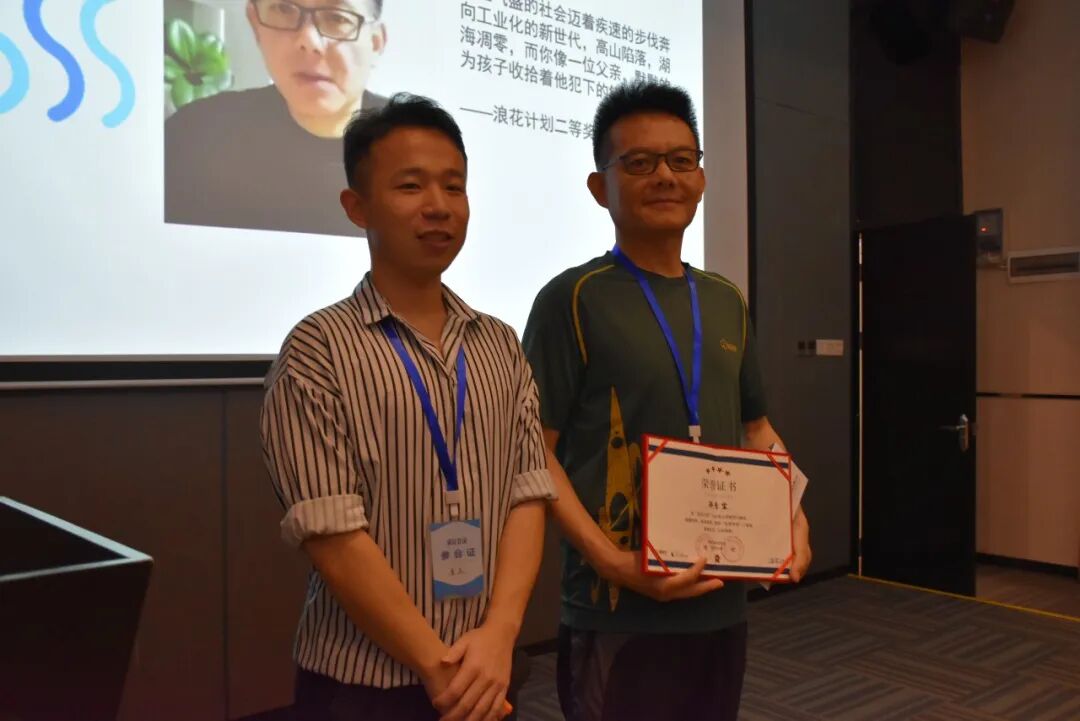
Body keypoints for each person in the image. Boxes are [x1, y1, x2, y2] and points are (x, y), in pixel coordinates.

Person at [522, 80, 813, 721]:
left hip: (722, 600)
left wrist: (795, 517)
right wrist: (612, 562)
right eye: (639, 162)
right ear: (600, 187)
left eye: (681, 160)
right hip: (616, 608)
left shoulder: (726, 300)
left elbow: (758, 430)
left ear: (701, 179)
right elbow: (533, 454)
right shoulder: (572, 298)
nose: (664, 176)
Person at [260, 93, 555, 721]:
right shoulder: (317, 349)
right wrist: (439, 668)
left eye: (454, 186)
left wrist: (501, 635)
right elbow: (332, 535)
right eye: (410, 186)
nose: (438, 206)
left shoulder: (500, 343)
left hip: (488, 669)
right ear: (357, 207)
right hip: (361, 688)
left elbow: (528, 496)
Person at [166, 0, 389, 236]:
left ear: (375, 42)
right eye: (284, 10)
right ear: (255, 24)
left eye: (337, 18)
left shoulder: (415, 145)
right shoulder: (191, 137)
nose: (309, 40)